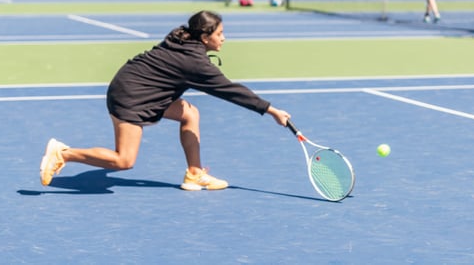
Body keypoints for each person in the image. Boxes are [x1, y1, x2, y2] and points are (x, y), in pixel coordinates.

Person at [39, 10, 291, 190]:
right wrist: (272, 111)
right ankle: (64, 154)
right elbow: (230, 90)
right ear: (204, 38)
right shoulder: (195, 62)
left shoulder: (182, 35)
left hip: (136, 86)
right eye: (220, 33)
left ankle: (194, 174)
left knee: (190, 113)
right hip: (132, 96)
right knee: (124, 160)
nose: (224, 38)